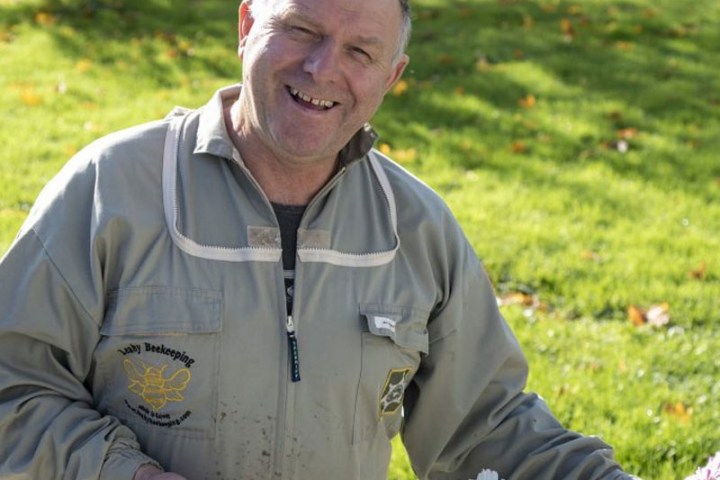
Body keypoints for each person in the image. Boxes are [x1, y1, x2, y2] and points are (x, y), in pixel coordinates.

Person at [0, 0, 636, 479]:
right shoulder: (112, 188)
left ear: (392, 76)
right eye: (302, 29)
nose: (322, 68)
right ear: (247, 24)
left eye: (361, 52)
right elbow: (13, 385)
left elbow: (485, 425)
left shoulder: (414, 228)